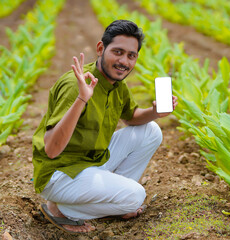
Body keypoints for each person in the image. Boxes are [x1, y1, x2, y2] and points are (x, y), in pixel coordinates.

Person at [32, 19, 177, 233]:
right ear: (101, 48)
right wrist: (82, 99)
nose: (124, 62)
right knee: (136, 196)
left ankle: (114, 201)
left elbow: (132, 117)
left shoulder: (117, 86)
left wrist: (155, 112)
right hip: (60, 174)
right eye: (117, 52)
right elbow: (52, 150)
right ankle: (60, 210)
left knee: (151, 130)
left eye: (131, 55)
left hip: (90, 163)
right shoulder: (75, 85)